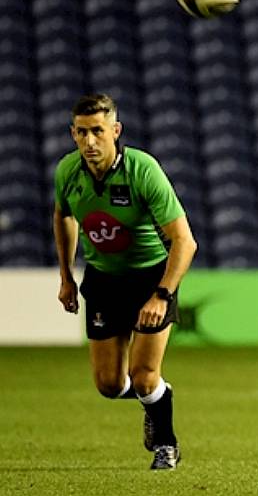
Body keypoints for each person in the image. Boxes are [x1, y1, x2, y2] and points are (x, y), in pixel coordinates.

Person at [53, 94, 197, 470]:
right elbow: (64, 216)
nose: (89, 141)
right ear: (72, 133)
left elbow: (185, 241)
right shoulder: (67, 172)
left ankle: (166, 444)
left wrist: (162, 295)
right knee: (109, 385)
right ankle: (159, 398)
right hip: (103, 278)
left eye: (97, 131)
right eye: (81, 133)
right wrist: (67, 276)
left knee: (144, 377)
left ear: (115, 130)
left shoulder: (143, 170)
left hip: (150, 277)